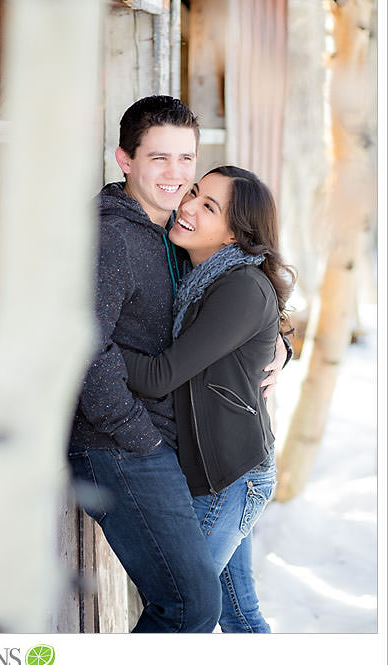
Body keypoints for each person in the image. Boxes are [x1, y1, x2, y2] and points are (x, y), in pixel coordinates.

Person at [67, 95, 288, 633]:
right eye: (159, 159)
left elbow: (243, 309)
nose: (177, 179)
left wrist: (282, 343)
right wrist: (138, 435)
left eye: (186, 160)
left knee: (228, 610)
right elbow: (84, 346)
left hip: (204, 458)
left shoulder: (175, 241)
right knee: (194, 607)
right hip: (127, 445)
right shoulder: (115, 237)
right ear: (125, 160)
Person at [120, 166, 295, 632]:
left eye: (208, 207)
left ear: (236, 236)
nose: (188, 206)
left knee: (180, 609)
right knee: (238, 615)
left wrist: (87, 345)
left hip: (230, 479)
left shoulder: (240, 286)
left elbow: (161, 376)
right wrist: (282, 344)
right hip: (214, 470)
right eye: (193, 194)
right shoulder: (195, 271)